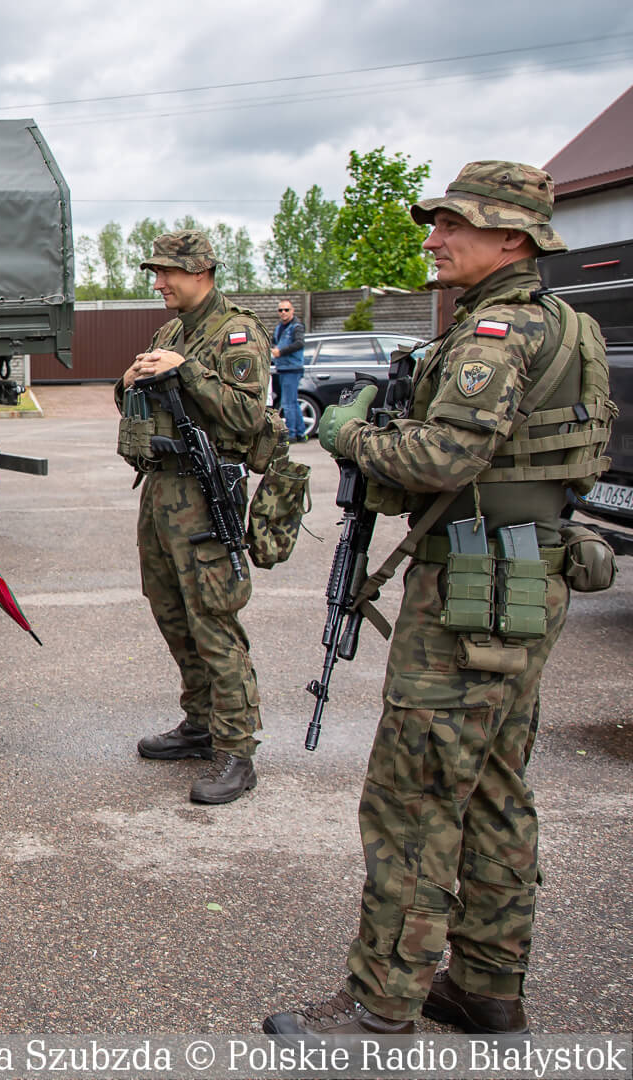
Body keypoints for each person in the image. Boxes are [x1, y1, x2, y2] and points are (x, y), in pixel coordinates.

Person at [265, 161, 608, 1037]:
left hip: (473, 587)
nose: (435, 237)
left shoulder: (496, 334)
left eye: (458, 224)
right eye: (438, 222)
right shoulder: (568, 324)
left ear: (514, 239)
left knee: (413, 798)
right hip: (524, 579)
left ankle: (381, 1003)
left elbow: (440, 462)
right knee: (493, 787)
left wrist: (347, 431)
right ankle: (489, 986)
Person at [119, 230, 271, 804]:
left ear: (201, 270)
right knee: (170, 608)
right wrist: (127, 382)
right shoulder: (170, 330)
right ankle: (200, 721)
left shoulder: (236, 331)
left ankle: (237, 747)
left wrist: (186, 370)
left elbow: (248, 415)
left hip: (204, 492)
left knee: (212, 616)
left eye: (167, 273)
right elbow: (137, 398)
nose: (158, 283)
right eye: (155, 273)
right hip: (159, 487)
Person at [271, 298, 308, 441]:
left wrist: (281, 352)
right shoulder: (279, 327)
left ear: (292, 311)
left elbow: (299, 343)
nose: (283, 312)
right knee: (292, 402)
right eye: (280, 310)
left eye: (286, 310)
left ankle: (291, 434)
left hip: (292, 368)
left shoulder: (297, 326)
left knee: (287, 403)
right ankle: (301, 433)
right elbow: (274, 343)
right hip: (282, 368)